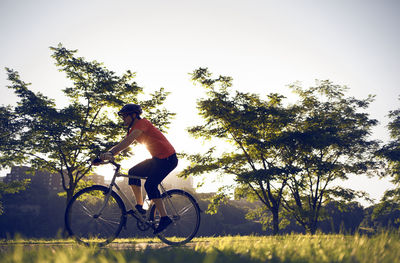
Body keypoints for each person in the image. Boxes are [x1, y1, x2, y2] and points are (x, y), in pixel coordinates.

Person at [97, 104, 178, 234]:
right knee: (133, 172)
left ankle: (164, 218)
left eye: (125, 116)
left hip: (168, 159)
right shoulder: (133, 129)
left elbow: (127, 142)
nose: (123, 119)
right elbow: (123, 143)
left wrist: (110, 154)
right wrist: (102, 158)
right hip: (157, 159)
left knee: (150, 185)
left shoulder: (142, 123)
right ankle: (140, 207)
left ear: (134, 115)